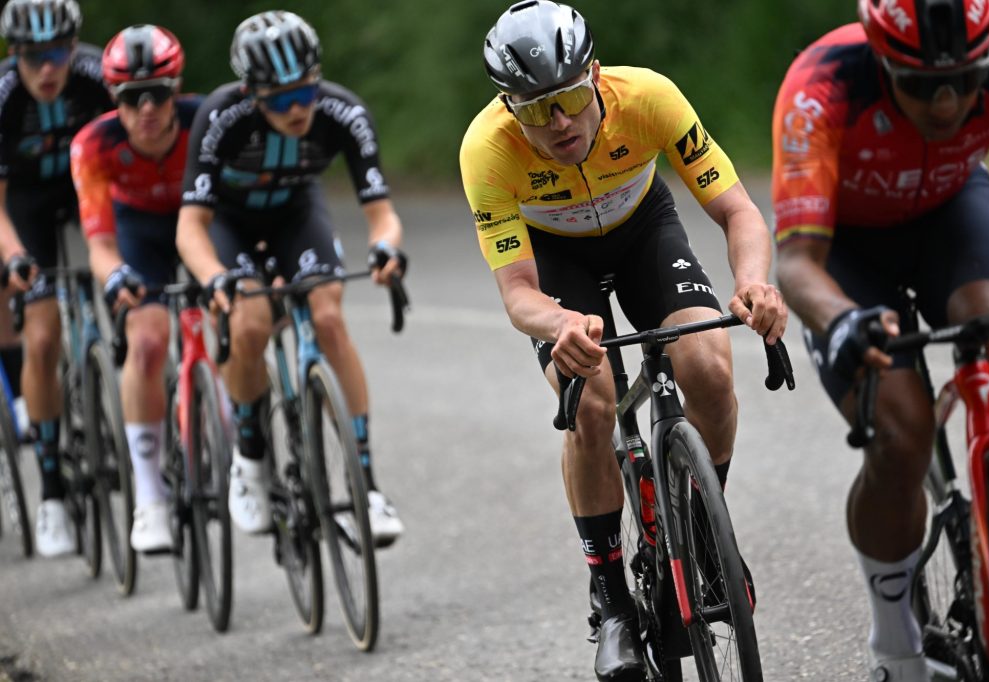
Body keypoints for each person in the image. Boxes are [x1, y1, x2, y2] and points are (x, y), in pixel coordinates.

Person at [460, 2, 787, 679]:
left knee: (709, 367)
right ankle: (611, 602)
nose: (560, 123)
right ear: (508, 106)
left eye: (573, 99)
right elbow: (518, 292)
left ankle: (701, 535)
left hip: (644, 231)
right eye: (536, 110)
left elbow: (736, 209)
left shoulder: (649, 97)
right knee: (590, 405)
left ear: (597, 77)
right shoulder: (486, 147)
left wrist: (754, 282)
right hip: (557, 261)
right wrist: (560, 325)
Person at [772, 1, 989, 679]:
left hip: (951, 215)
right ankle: (896, 645)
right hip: (846, 249)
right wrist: (841, 318)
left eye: (968, 80)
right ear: (881, 62)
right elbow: (796, 264)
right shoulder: (823, 83)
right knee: (902, 433)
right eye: (919, 85)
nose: (947, 104)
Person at [175, 10, 406, 546]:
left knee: (329, 316)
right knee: (250, 324)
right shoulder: (221, 117)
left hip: (296, 215)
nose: (298, 108)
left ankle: (367, 487)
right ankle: (250, 460)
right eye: (280, 100)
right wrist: (214, 277)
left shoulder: (342, 110)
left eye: (305, 91)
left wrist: (386, 249)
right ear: (252, 93)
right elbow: (191, 228)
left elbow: (381, 213)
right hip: (230, 224)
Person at [70, 24, 201, 553]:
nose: (146, 109)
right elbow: (99, 246)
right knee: (147, 342)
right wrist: (119, 276)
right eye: (130, 97)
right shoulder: (93, 145)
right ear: (113, 99)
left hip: (199, 222)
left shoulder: (205, 122)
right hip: (137, 233)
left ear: (177, 91)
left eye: (159, 94)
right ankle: (150, 497)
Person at [0, 0, 112, 557]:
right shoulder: (2, 98)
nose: (49, 69)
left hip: (87, 186)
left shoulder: (96, 76)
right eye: (34, 56)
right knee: (41, 337)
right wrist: (16, 256)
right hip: (23, 202)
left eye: (60, 53)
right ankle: (49, 492)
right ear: (14, 54)